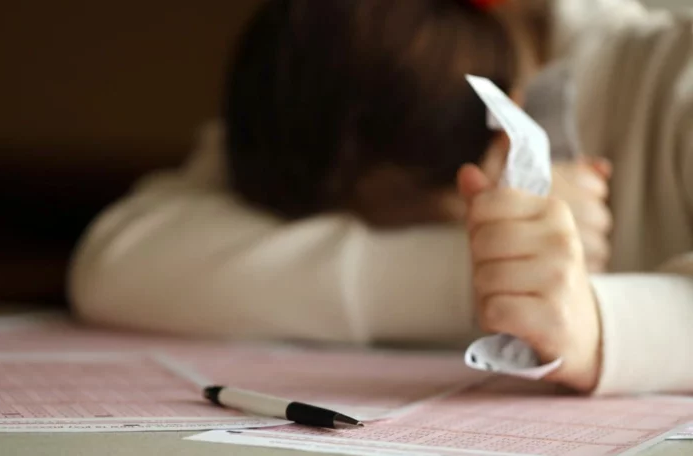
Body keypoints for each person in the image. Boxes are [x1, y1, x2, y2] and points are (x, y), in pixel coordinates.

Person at [69, 0, 693, 395]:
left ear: (504, 139)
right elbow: (119, 261)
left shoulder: (674, 71)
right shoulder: (332, 78)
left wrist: (597, 328)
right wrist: (477, 275)